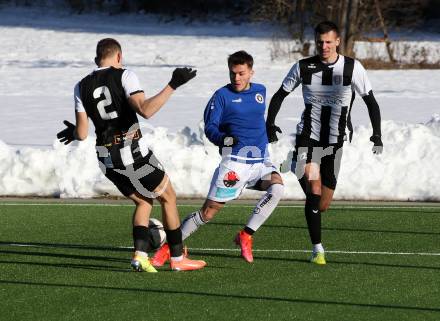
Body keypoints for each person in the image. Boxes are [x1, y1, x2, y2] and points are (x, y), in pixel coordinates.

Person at [56, 38, 206, 272]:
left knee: (144, 201)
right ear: (119, 57)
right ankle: (177, 259)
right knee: (168, 197)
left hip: (106, 159)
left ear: (97, 59)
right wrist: (173, 84)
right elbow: (145, 110)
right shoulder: (125, 75)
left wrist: (73, 133)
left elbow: (83, 133)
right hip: (132, 153)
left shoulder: (80, 86)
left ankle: (140, 256)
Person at [265, 21, 383, 265]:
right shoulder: (303, 66)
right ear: (315, 42)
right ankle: (317, 249)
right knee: (314, 191)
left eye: (329, 42)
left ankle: (294, 163)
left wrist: (377, 134)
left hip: (336, 139)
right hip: (308, 136)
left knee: (323, 204)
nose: (324, 46)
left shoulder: (352, 67)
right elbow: (280, 94)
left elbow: (371, 102)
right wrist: (270, 122)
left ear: (338, 41)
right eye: (320, 42)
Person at [151, 50, 284, 266]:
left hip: (260, 162)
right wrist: (224, 139)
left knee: (277, 188)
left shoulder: (261, 92)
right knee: (208, 213)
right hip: (235, 164)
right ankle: (169, 248)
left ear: (251, 72)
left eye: (241, 73)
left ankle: (246, 235)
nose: (236, 78)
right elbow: (210, 127)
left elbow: (257, 119)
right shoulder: (221, 96)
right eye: (233, 73)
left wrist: (268, 128)